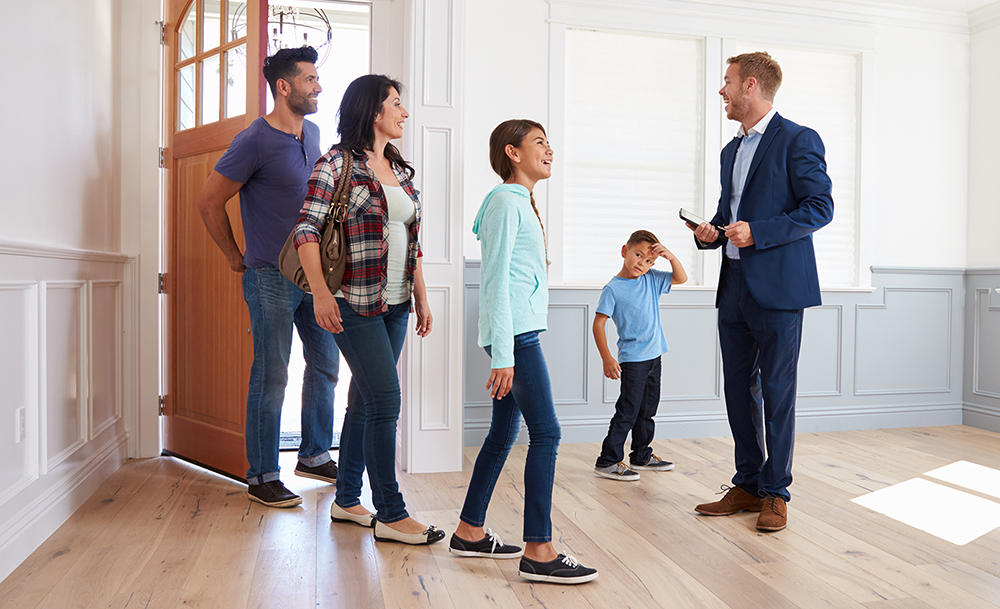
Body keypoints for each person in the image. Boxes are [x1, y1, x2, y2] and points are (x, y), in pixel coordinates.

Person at [293, 74, 444, 545]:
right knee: (385, 400)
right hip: (352, 302)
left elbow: (410, 238)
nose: (404, 112)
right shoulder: (336, 164)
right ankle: (392, 513)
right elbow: (306, 232)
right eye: (397, 103)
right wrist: (319, 292)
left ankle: (346, 500)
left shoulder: (398, 168)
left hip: (396, 301)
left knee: (363, 399)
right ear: (374, 110)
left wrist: (420, 293)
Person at [689, 51, 834, 532]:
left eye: (726, 82)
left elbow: (820, 208)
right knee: (737, 390)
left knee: (777, 392)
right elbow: (729, 212)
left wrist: (760, 232)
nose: (721, 91)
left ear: (750, 85)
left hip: (779, 289)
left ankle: (776, 493)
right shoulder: (731, 150)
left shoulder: (798, 139)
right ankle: (748, 484)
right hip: (732, 288)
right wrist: (709, 232)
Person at [450, 119, 598, 584]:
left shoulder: (518, 202)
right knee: (548, 434)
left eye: (549, 142)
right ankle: (539, 548)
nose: (549, 149)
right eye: (539, 143)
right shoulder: (504, 203)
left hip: (515, 335)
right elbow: (494, 280)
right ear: (513, 153)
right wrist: (503, 354)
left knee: (502, 434)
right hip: (516, 339)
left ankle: (469, 530)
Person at [196, 46, 339, 508]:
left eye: (317, 79)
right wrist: (235, 256)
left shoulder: (313, 133)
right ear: (283, 86)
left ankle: (315, 455)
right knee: (272, 374)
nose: (318, 86)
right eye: (309, 79)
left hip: (315, 276)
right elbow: (208, 202)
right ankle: (261, 474)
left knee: (326, 366)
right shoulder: (253, 139)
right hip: (270, 276)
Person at [593, 230, 688, 481]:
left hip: (655, 356)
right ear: (625, 251)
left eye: (649, 261)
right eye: (638, 255)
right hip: (632, 359)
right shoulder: (613, 289)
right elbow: (598, 324)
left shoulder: (651, 279)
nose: (642, 264)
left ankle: (641, 455)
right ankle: (608, 460)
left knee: (647, 409)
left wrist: (670, 257)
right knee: (628, 410)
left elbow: (682, 278)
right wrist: (607, 357)